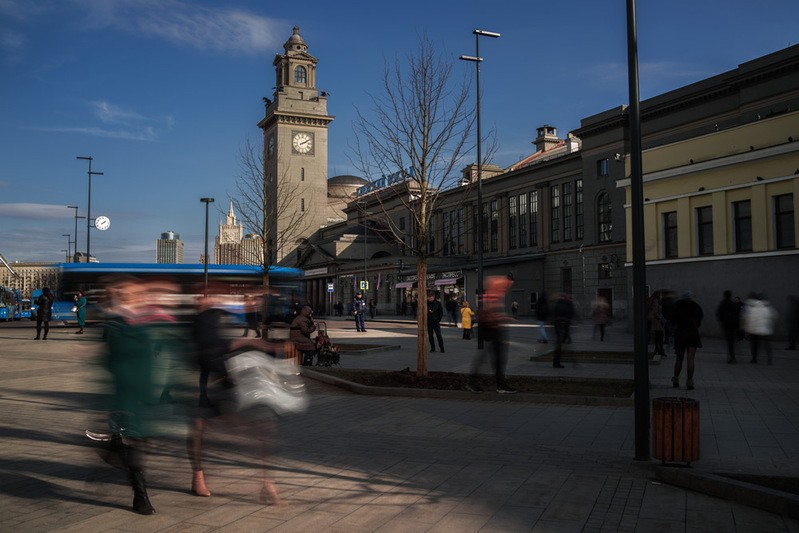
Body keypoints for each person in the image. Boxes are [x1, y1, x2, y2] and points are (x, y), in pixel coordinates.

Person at [468, 276, 516, 394]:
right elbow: (488, 314)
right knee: (497, 358)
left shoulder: (493, 295)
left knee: (492, 357)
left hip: (492, 329)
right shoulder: (492, 295)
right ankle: (498, 384)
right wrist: (502, 318)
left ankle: (476, 382)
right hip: (491, 329)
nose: (506, 288)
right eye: (505, 286)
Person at [670, 291, 703, 390]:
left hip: (680, 334)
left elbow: (672, 322)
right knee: (690, 359)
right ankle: (689, 382)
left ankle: (675, 380)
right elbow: (698, 323)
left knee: (679, 359)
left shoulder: (677, 307)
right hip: (692, 334)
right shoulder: (696, 307)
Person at [742, 293, 778, 365]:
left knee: (754, 344)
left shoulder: (751, 307)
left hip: (753, 330)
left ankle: (754, 358)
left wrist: (747, 327)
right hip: (766, 329)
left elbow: (746, 318)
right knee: (767, 345)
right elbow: (774, 316)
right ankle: (769, 359)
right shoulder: (767, 307)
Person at [716, 290, 741, 364]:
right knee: (732, 342)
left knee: (729, 341)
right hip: (733, 325)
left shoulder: (722, 303)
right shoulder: (733, 304)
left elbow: (718, 314)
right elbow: (737, 314)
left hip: (726, 325)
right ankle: (732, 357)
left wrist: (722, 321)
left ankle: (731, 357)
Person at [551, 293, 574, 369]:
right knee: (559, 345)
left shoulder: (558, 304)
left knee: (559, 344)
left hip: (558, 326)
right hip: (561, 326)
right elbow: (568, 314)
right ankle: (556, 363)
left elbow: (554, 315)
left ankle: (556, 362)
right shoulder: (564, 304)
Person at [648, 292, 666, 356]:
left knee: (658, 335)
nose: (661, 296)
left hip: (657, 321)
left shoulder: (656, 301)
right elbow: (655, 312)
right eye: (660, 295)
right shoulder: (655, 302)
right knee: (660, 335)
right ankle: (660, 349)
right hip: (657, 322)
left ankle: (658, 349)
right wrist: (660, 318)